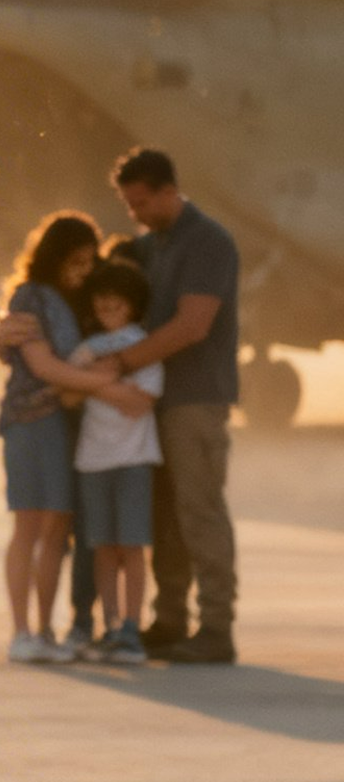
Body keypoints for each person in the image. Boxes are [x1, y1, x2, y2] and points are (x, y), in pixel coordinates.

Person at [109, 150, 241, 663]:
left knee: (199, 511)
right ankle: (169, 619)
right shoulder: (150, 246)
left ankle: (216, 626)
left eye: (141, 202)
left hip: (196, 401)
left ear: (168, 191)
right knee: (163, 516)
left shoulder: (208, 242)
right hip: (156, 404)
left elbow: (193, 325)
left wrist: (120, 364)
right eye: (129, 204)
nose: (135, 213)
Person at [0, 213, 120, 664]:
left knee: (58, 527)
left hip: (67, 424)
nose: (83, 270)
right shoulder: (31, 297)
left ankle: (45, 628)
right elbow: (43, 366)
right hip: (31, 420)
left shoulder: (79, 300)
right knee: (28, 525)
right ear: (56, 257)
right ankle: (21, 631)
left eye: (89, 262)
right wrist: (109, 386)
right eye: (76, 261)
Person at [68, 255, 163, 665]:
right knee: (103, 548)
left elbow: (140, 403)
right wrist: (109, 379)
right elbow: (67, 394)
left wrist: (93, 381)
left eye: (117, 307)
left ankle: (131, 628)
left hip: (133, 460)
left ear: (133, 306)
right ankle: (109, 626)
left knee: (132, 547)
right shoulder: (87, 348)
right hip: (93, 460)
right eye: (102, 306)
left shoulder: (143, 347)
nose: (109, 314)